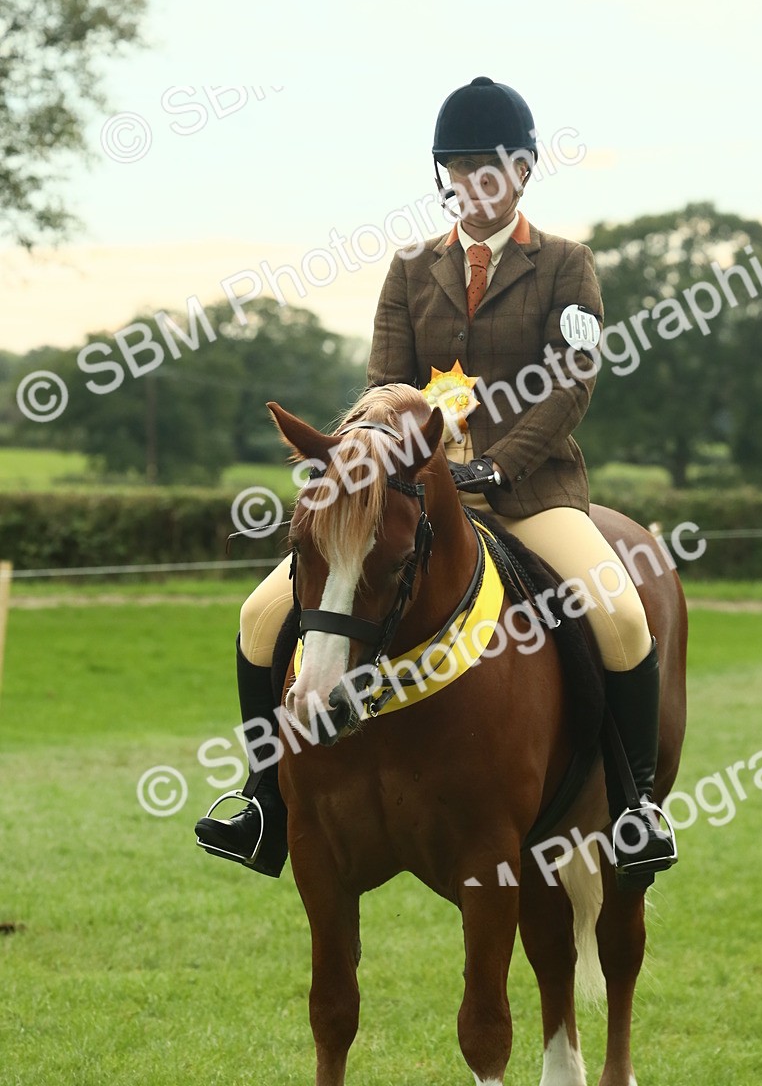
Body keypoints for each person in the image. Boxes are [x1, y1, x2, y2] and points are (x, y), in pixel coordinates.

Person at [195, 75, 676, 885]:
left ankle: (634, 809)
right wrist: (383, 465)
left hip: (530, 494)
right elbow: (383, 385)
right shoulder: (413, 267)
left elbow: (570, 384)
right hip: (412, 498)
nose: (472, 185)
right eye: (458, 170)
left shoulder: (567, 265)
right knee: (259, 616)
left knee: (623, 616)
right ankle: (262, 801)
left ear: (523, 171)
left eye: (488, 169)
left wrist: (498, 463)